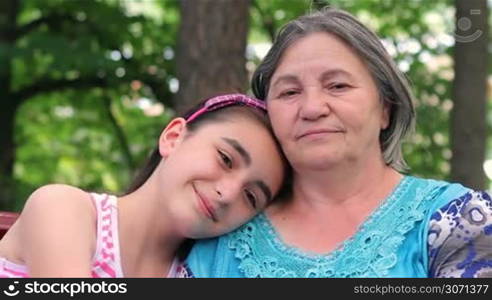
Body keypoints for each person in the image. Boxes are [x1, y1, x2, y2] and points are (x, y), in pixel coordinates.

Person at [184, 8, 492, 278]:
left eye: (338, 86)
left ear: (386, 108)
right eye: (289, 92)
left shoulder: (457, 220)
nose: (312, 108)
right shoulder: (221, 236)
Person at [0, 93, 288, 277]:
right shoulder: (64, 210)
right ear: (173, 137)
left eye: (250, 197)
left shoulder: (196, 274)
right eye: (225, 159)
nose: (227, 194)